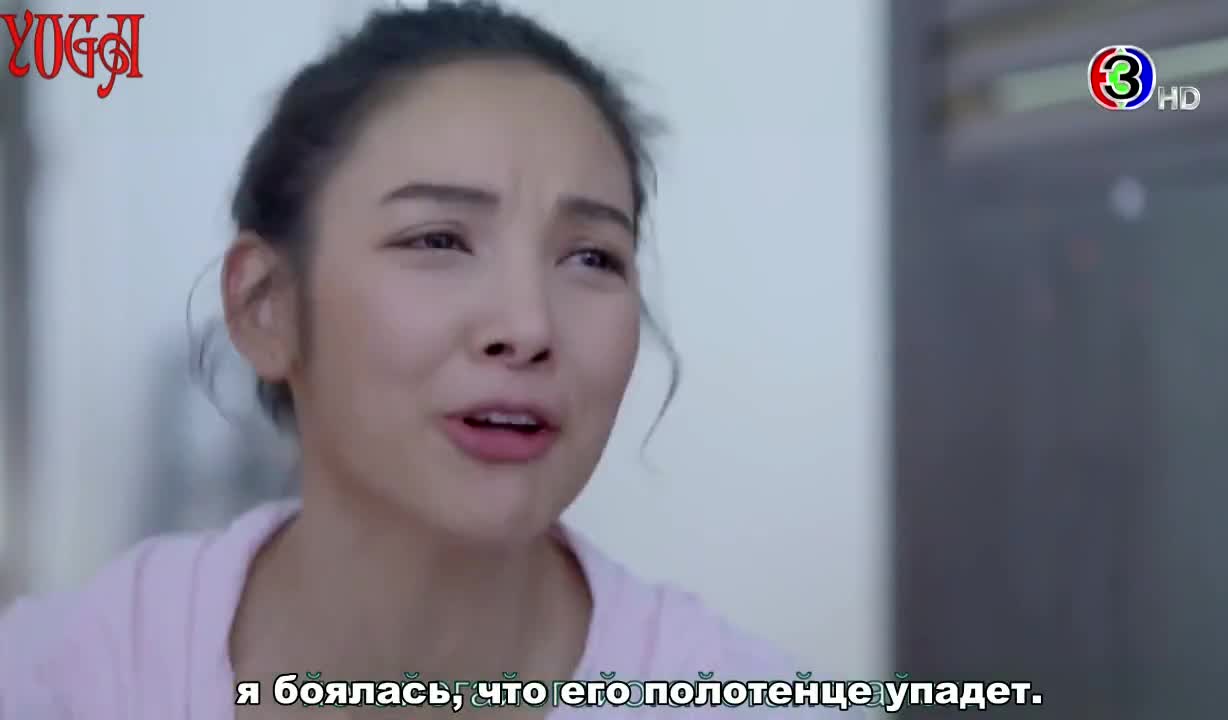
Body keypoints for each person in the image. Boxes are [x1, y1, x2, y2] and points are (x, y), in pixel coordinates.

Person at [0, 2, 856, 717]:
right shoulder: (66, 680)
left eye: (592, 256)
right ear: (266, 305)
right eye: (438, 240)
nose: (527, 325)